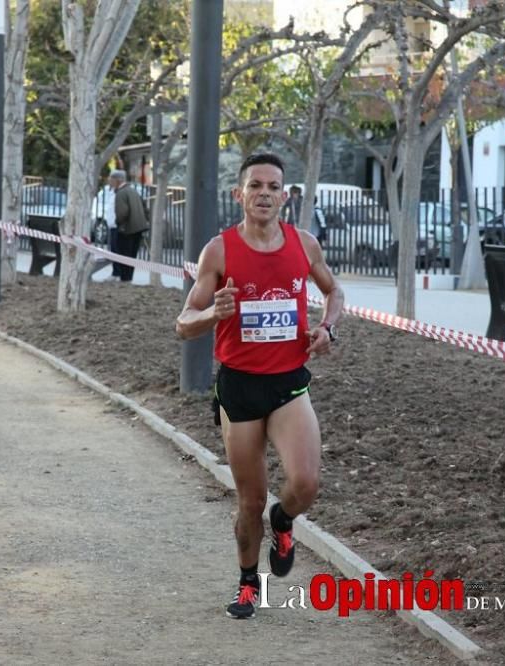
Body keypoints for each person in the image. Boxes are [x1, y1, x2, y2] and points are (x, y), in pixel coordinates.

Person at [175, 153, 344, 620]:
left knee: (306, 484)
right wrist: (214, 313)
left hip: (289, 383)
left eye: (273, 186)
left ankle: (284, 519)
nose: (264, 193)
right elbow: (184, 323)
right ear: (240, 195)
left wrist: (328, 328)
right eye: (255, 186)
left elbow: (334, 291)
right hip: (241, 388)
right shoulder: (220, 251)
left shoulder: (304, 244)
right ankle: (249, 583)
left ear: (285, 196)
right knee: (249, 499)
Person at [109, 169, 149, 283]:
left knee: (124, 255)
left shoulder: (121, 193)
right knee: (131, 256)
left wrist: (118, 223)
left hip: (127, 230)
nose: (110, 182)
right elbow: (145, 208)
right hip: (138, 228)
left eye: (111, 179)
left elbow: (122, 213)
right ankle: (128, 278)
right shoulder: (133, 191)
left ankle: (124, 279)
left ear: (118, 180)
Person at [93, 177, 120, 279]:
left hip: (117, 225)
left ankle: (118, 273)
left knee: (118, 250)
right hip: (112, 225)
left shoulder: (119, 193)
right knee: (114, 249)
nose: (110, 183)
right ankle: (116, 272)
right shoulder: (111, 191)